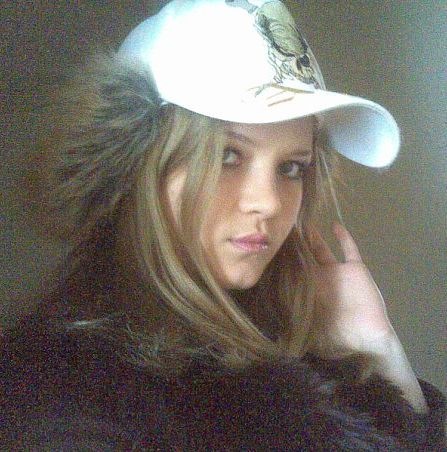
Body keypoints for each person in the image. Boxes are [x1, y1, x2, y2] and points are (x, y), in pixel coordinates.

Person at [2, 0, 445, 449]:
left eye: (292, 167)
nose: (269, 202)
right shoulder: (64, 405)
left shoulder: (298, 338)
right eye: (226, 156)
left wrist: (379, 349)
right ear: (137, 166)